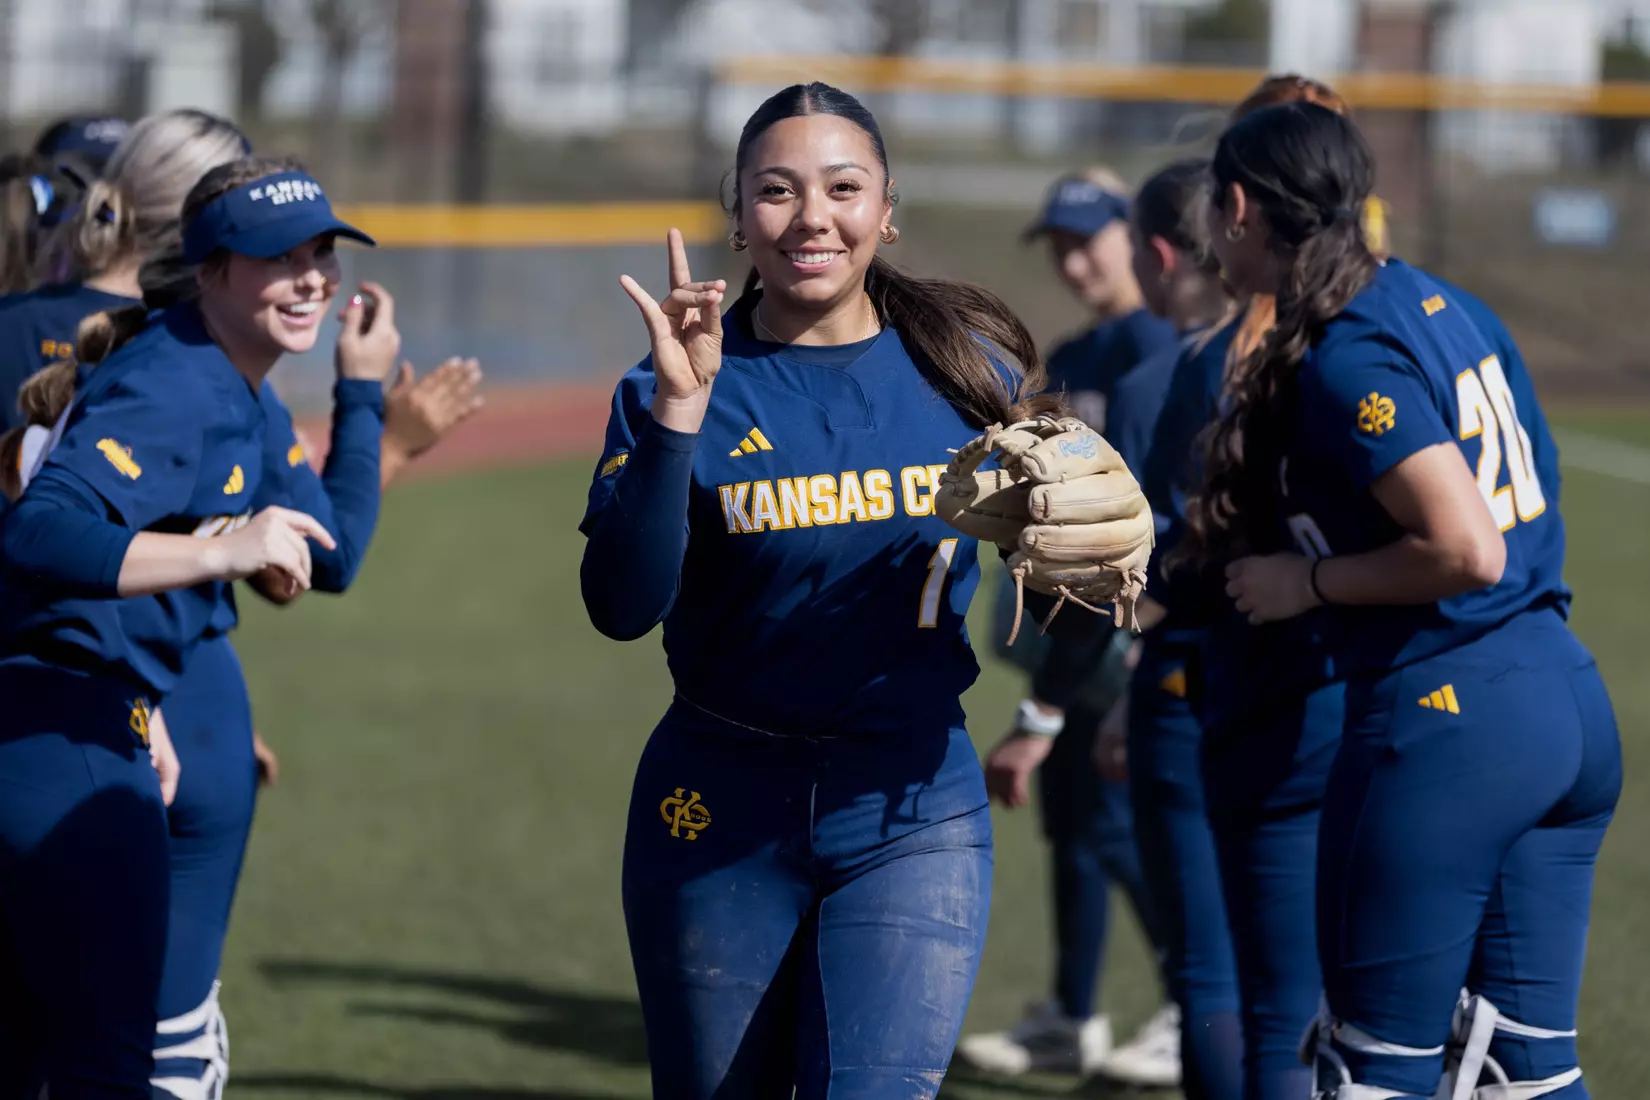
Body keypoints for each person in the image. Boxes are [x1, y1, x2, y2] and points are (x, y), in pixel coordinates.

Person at [580, 81, 1082, 1100]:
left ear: (886, 208)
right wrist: (680, 411)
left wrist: (1075, 562)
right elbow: (621, 606)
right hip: (717, 800)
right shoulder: (671, 382)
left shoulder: (974, 374)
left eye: (842, 187)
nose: (813, 216)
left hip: (910, 804)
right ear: (737, 215)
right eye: (777, 190)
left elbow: (1077, 581)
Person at [1203, 101, 1618, 1100]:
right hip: (1561, 692)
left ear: (1239, 205)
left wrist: (1305, 581)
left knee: (1375, 1068)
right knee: (1525, 1064)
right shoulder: (1439, 298)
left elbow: (1464, 548)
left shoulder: (1348, 352)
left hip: (1449, 717)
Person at [0, 154, 386, 1098]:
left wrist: (363, 394)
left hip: (81, 720)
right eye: (278, 257)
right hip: (57, 726)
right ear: (210, 269)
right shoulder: (180, 381)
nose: (312, 279)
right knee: (104, 1066)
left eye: (322, 253)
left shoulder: (230, 376)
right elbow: (41, 530)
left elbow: (325, 555)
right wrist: (222, 551)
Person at [958, 167, 1182, 1083]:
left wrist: (1139, 623)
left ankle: (1193, 995)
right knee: (1073, 825)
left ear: (1138, 235)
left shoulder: (1159, 345)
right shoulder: (1074, 356)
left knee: (1119, 825)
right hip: (1071, 632)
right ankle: (1072, 1014)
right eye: (1058, 240)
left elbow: (1162, 506)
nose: (1073, 255)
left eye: (1090, 234)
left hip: (1132, 633)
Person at [1089, 158, 1248, 1100]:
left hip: (1195, 688)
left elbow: (1142, 576)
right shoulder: (1326, 347)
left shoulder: (1161, 379)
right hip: (1330, 684)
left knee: (1210, 972)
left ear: (1157, 254)